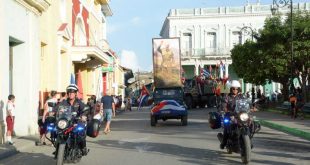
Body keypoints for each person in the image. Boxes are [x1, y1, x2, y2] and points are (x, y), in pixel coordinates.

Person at [56, 84, 88, 155]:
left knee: (81, 132)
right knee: (57, 131)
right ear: (67, 93)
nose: (70, 93)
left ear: (75, 93)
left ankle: (83, 147)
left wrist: (83, 115)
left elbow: (85, 109)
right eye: (69, 92)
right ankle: (58, 149)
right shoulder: (64, 102)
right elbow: (57, 108)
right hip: (66, 122)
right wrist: (52, 112)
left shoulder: (79, 102)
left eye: (72, 92)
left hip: (76, 121)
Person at [218, 80, 244, 149]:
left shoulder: (241, 97)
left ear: (239, 89)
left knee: (248, 124)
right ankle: (224, 142)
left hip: (239, 115)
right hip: (229, 115)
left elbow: (246, 104)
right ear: (230, 89)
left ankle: (247, 141)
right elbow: (223, 106)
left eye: (237, 89)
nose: (235, 90)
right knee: (227, 127)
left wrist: (251, 107)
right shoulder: (227, 97)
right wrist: (225, 110)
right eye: (233, 88)